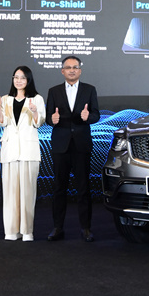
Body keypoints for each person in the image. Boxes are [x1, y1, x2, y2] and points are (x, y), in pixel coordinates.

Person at [45, 56, 100, 242]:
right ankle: (57, 228)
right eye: (68, 67)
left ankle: (86, 228)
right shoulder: (53, 91)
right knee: (59, 188)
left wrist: (87, 117)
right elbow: (49, 117)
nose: (71, 70)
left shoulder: (89, 90)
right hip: (60, 145)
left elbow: (96, 115)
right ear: (62, 71)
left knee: (83, 189)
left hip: (81, 145)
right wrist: (51, 120)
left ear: (80, 70)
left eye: (75, 67)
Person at [0, 65, 45, 242]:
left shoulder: (36, 99)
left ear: (28, 80)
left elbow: (39, 123)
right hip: (10, 151)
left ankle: (27, 231)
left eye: (23, 77)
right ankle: (11, 231)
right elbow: (3, 122)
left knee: (27, 193)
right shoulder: (6, 99)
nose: (19, 80)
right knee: (10, 194)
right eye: (16, 77)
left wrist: (34, 111)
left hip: (29, 152)